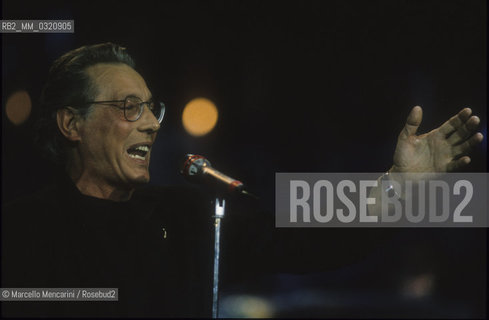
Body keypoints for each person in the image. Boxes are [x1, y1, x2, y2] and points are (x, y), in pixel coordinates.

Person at [1, 43, 483, 317]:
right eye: (129, 107)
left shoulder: (188, 215)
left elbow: (302, 242)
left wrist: (399, 186)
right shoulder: (20, 231)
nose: (150, 122)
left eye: (152, 107)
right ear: (72, 125)